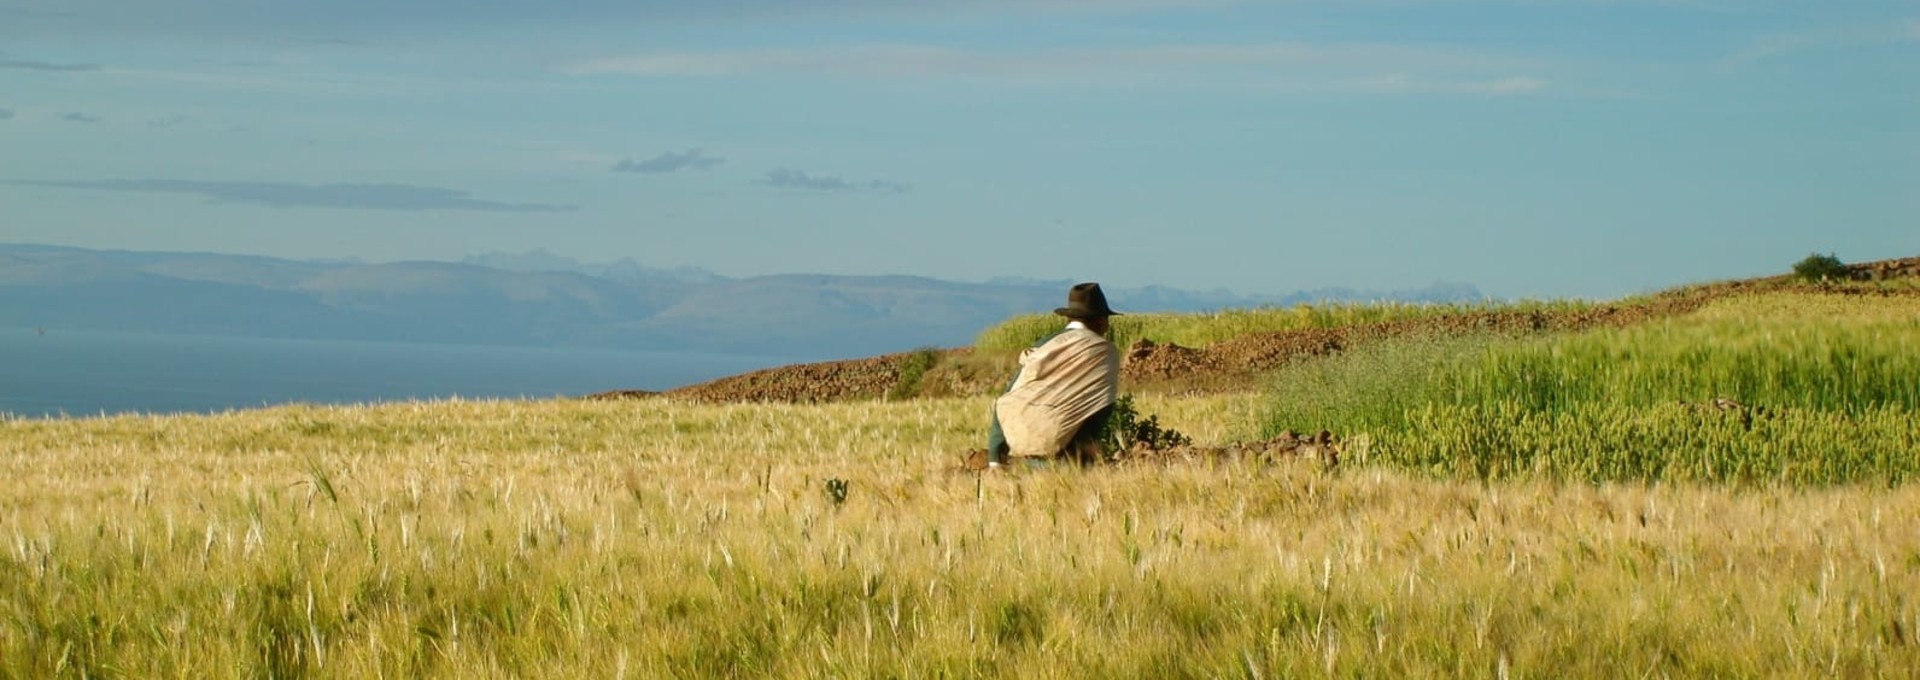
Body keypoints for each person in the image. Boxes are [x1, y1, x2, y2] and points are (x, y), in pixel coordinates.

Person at [985, 282, 1122, 468]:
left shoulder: (1043, 345)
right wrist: (1089, 449)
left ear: (1070, 318)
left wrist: (995, 457)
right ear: (1099, 320)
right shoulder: (1103, 352)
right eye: (1106, 320)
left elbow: (1010, 397)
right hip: (1070, 458)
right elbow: (1102, 407)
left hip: (1028, 452)